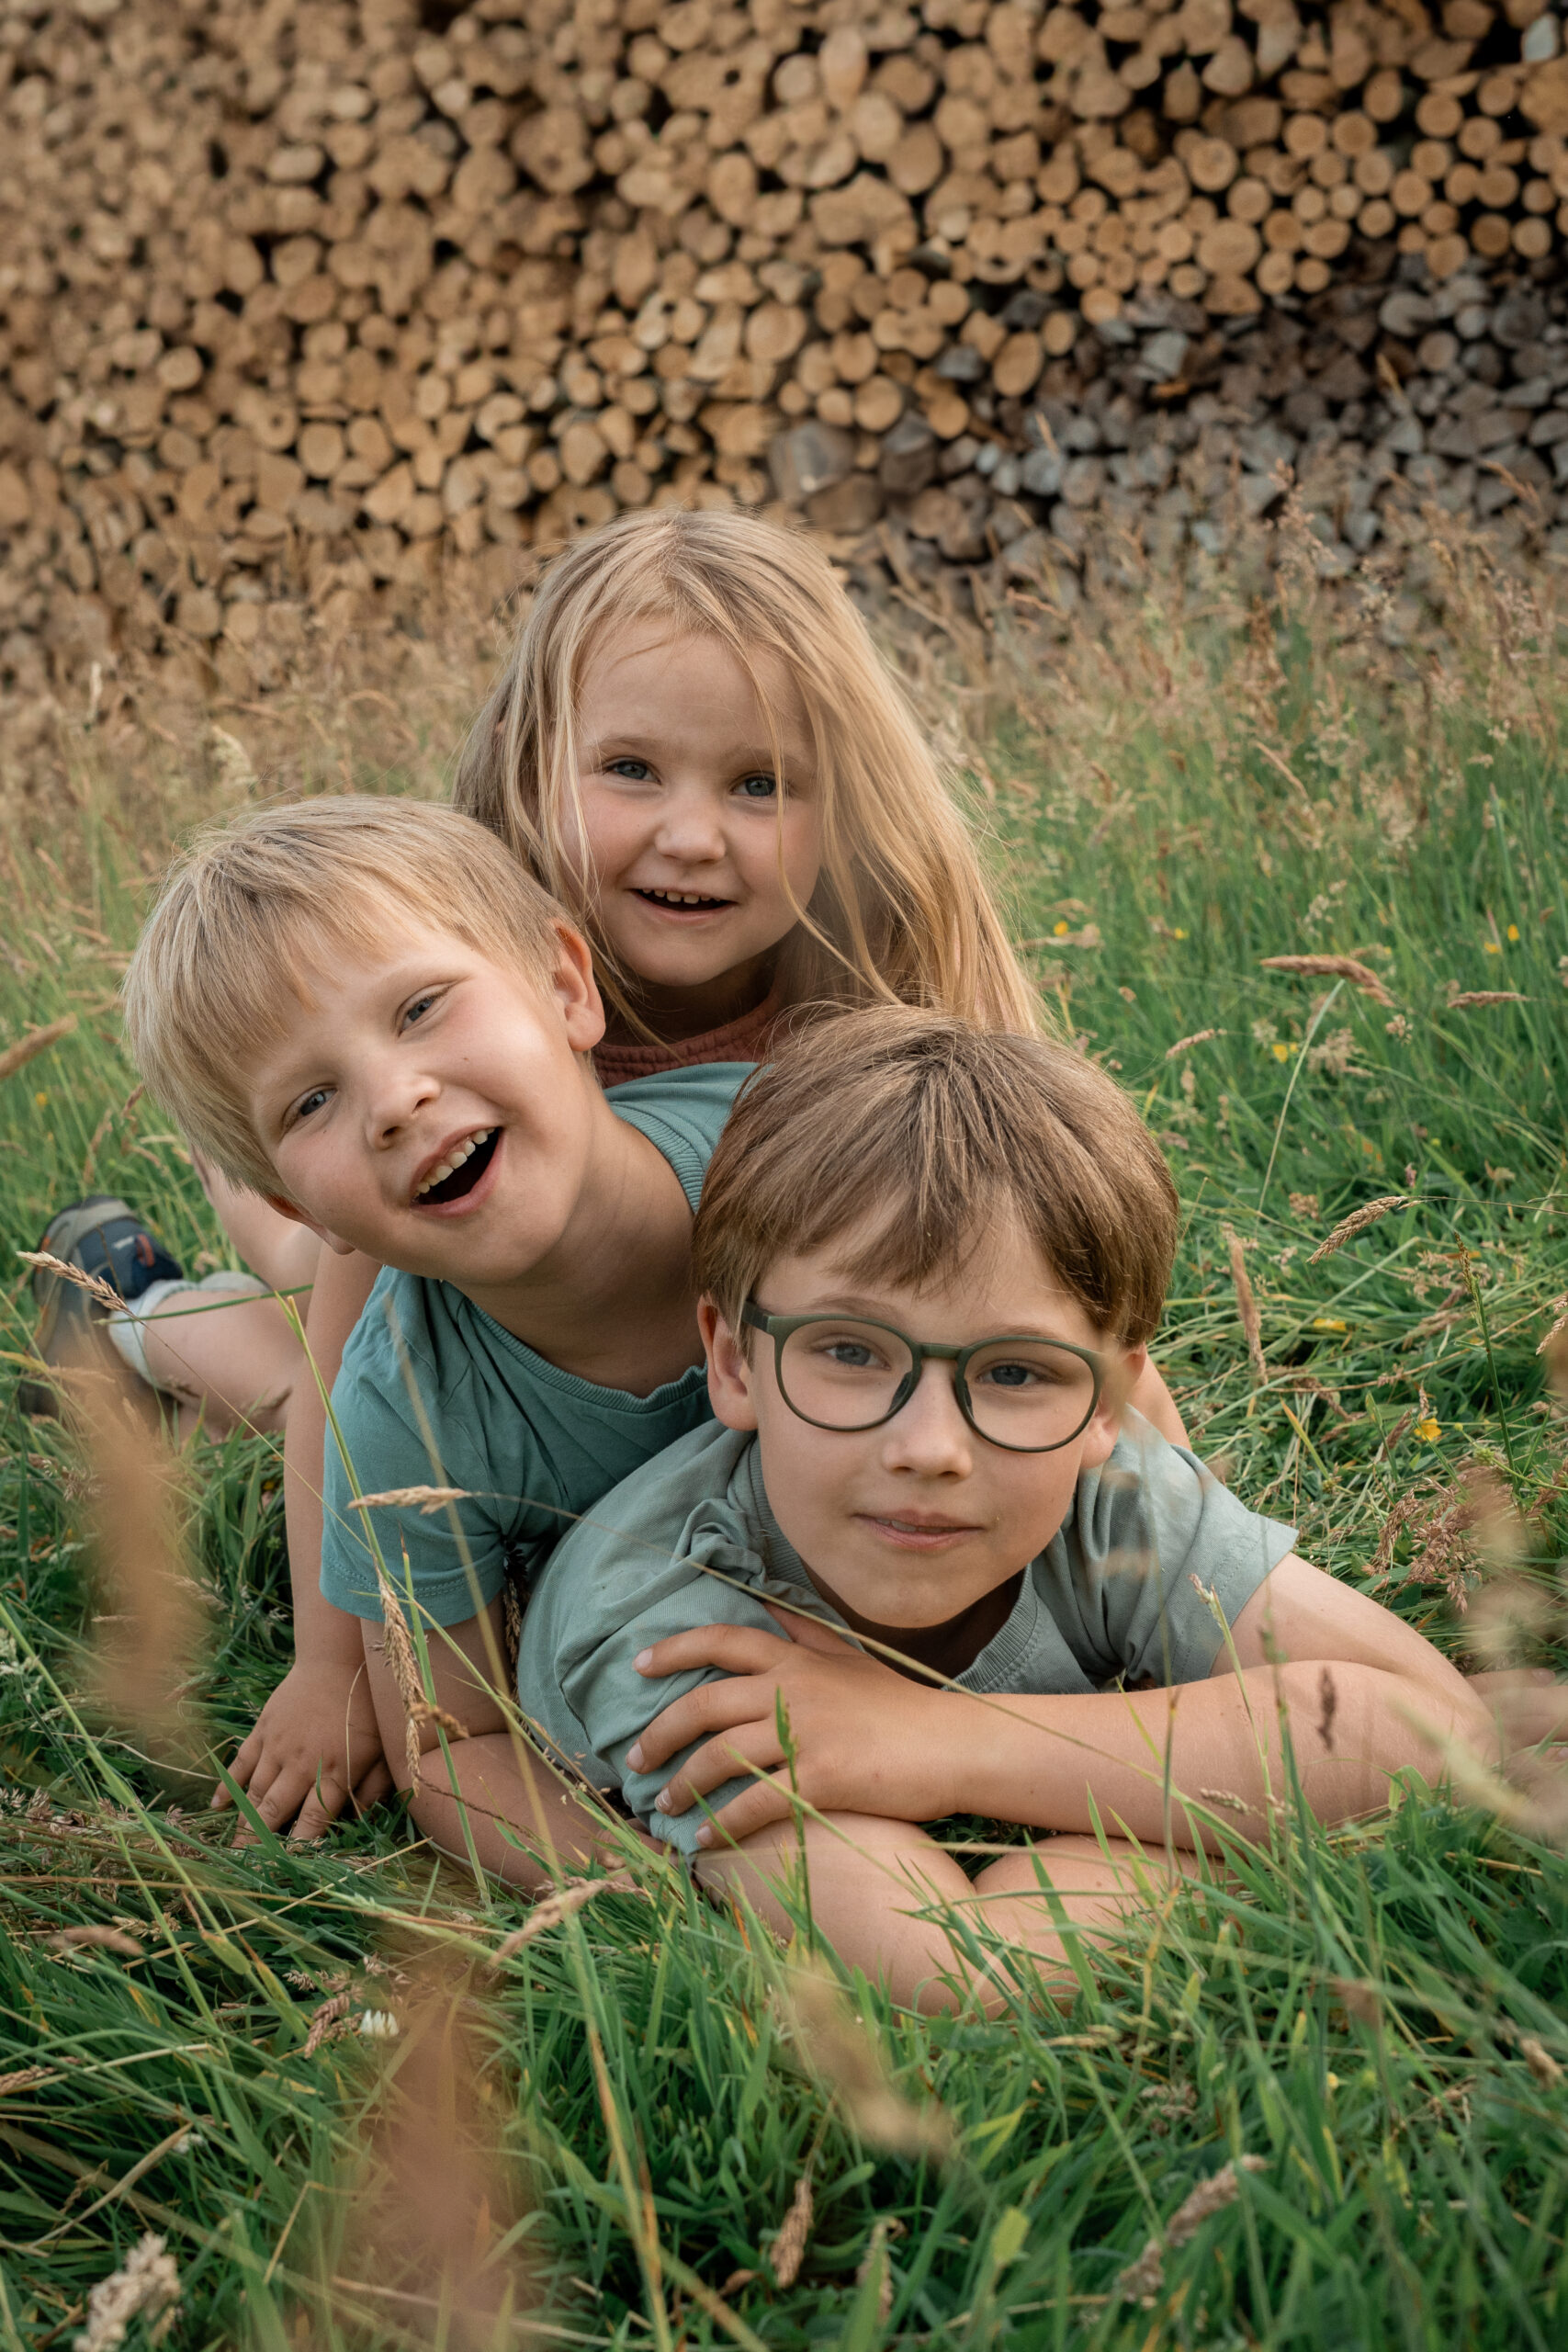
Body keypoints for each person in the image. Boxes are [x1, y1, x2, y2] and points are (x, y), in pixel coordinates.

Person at [74, 506, 1190, 1838]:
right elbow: (347, 1365)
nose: (691, 837)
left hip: (618, 1290)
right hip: (439, 1261)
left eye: (760, 784)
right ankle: (136, 1310)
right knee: (308, 1324)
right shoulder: (452, 1005)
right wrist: (331, 1663)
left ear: (845, 804)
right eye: (629, 771)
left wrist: (1167, 1520)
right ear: (532, 768)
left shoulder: (855, 1030)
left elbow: (1025, 1276)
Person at [460, 1011, 1491, 2011]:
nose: (930, 1450)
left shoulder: (1102, 1490)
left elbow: (1441, 1732)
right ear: (734, 1362)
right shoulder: (674, 1627)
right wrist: (1218, 1821)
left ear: (1108, 1403)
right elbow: (952, 1965)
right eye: (852, 1352)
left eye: (1013, 1371)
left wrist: (940, 1739)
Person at [118, 794, 759, 1874]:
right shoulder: (406, 1416)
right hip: (379, 1266)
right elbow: (450, 1751)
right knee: (291, 1382)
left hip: (394, 1235)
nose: (391, 1098)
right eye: (310, 1100)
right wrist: (656, 1891)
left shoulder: (794, 1159)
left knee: (305, 1296)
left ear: (565, 986)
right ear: (304, 1200)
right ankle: (127, 1301)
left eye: (420, 1008)